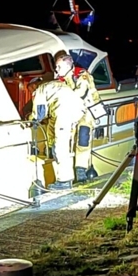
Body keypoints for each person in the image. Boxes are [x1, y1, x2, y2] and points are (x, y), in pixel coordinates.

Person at [26, 79, 85, 189]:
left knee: (60, 146)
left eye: (30, 90)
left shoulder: (41, 89)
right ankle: (69, 176)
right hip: (78, 110)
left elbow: (39, 113)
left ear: (34, 85)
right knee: (66, 145)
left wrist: (29, 120)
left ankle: (64, 181)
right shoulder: (55, 84)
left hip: (64, 112)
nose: (31, 93)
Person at [53, 51, 101, 182]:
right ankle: (68, 174)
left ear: (68, 66)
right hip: (72, 114)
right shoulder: (61, 79)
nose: (56, 69)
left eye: (59, 67)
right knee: (67, 141)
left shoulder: (82, 76)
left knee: (83, 140)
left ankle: (81, 170)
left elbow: (80, 93)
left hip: (86, 114)